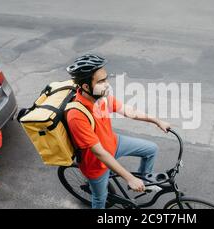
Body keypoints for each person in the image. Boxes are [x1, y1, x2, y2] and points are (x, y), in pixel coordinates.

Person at [66, 54, 171, 209]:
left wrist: (156, 120)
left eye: (106, 79)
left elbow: (129, 111)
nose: (107, 84)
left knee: (151, 149)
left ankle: (144, 182)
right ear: (86, 87)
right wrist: (129, 178)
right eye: (101, 81)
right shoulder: (76, 115)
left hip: (114, 143)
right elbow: (100, 153)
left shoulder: (102, 98)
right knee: (100, 199)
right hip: (96, 164)